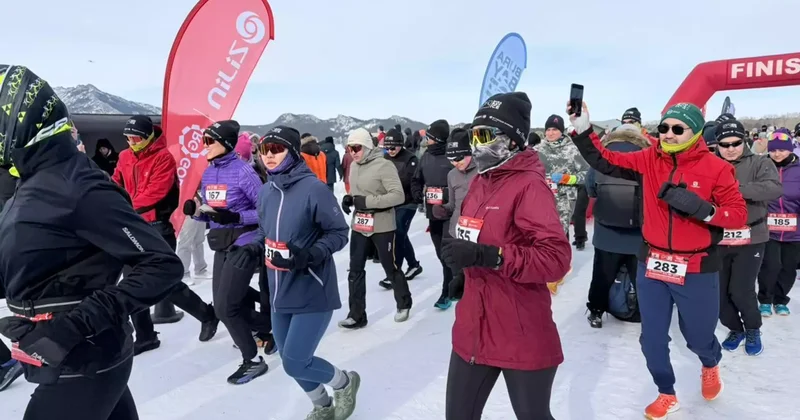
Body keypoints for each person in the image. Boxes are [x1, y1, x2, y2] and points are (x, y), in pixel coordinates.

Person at [0, 65, 184, 420]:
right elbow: (31, 261)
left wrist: (72, 327)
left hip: (84, 357)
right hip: (62, 356)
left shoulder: (78, 187)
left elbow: (161, 265)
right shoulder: (29, 182)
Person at [570, 101, 747, 419]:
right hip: (652, 263)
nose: (668, 134)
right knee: (651, 338)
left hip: (696, 268)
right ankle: (666, 392)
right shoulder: (649, 157)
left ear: (695, 132)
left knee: (698, 337)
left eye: (678, 129)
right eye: (664, 127)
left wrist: (703, 209)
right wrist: (583, 130)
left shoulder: (717, 168)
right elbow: (605, 160)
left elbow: (737, 214)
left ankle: (709, 363)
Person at [441, 92, 571, 420]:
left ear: (512, 140)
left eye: (484, 135)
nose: (475, 145)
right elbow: (476, 234)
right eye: (472, 136)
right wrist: (465, 272)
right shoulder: (479, 182)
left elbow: (556, 259)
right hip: (474, 324)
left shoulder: (529, 186)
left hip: (519, 328)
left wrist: (491, 256)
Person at [235, 126, 360, 419]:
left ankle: (344, 383)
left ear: (292, 152)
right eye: (264, 150)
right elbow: (265, 232)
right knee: (290, 359)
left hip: (312, 288)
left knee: (295, 361)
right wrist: (252, 248)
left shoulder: (314, 189)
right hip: (279, 291)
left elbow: (339, 232)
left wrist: (312, 254)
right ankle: (322, 405)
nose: (268, 156)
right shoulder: (266, 191)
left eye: (276, 149)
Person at [113, 115, 218, 354]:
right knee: (131, 284)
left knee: (164, 282)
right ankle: (146, 336)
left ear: (148, 136)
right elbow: (115, 182)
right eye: (128, 138)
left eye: (136, 138)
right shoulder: (124, 156)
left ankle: (206, 314)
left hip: (156, 227)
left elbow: (155, 193)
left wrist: (124, 208)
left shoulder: (163, 157)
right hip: (132, 226)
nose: (131, 142)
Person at [182, 120, 274, 384]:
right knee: (226, 301)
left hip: (244, 241)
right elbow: (213, 213)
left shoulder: (244, 172)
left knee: (224, 308)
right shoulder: (209, 172)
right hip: (220, 242)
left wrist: (236, 216)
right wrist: (197, 212)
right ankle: (269, 325)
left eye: (209, 141)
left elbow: (266, 211)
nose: (205, 146)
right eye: (204, 141)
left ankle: (253, 360)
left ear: (225, 143)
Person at [713, 120, 781, 356]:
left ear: (744, 141)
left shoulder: (760, 162)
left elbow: (773, 188)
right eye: (725, 144)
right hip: (719, 236)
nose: (730, 149)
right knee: (719, 293)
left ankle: (753, 329)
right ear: (717, 145)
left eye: (736, 143)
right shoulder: (709, 164)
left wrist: (733, 190)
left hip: (751, 236)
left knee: (741, 290)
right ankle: (735, 328)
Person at [339, 128, 411, 328]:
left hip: (382, 224)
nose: (353, 152)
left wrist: (367, 201)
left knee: (390, 267)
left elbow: (398, 196)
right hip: (360, 224)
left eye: (356, 148)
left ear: (367, 147)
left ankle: (404, 303)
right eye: (349, 148)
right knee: (355, 269)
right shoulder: (354, 166)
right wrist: (349, 199)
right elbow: (357, 192)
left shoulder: (384, 165)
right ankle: (356, 315)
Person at [584, 124, 651, 328]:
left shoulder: (601, 157)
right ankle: (645, 313)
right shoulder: (647, 157)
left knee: (602, 276)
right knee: (641, 278)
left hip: (606, 234)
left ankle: (596, 311)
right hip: (639, 235)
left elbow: (591, 190)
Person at [537, 113, 589, 294]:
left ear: (562, 131)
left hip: (564, 198)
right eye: (548, 129)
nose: (551, 133)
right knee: (542, 233)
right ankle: (545, 266)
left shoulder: (572, 149)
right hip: (541, 197)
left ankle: (558, 270)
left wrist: (568, 178)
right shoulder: (537, 150)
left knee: (558, 233)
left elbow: (587, 175)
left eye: (554, 129)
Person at [411, 119, 456, 309]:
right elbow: (417, 179)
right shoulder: (426, 156)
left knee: (447, 252)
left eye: (429, 137)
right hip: (433, 213)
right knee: (440, 253)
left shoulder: (452, 156)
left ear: (436, 138)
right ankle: (455, 281)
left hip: (451, 213)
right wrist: (416, 193)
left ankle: (448, 291)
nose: (426, 140)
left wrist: (448, 194)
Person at [757, 128, 800, 317]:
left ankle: (781, 300)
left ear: (790, 149)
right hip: (769, 229)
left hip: (795, 230)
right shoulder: (762, 167)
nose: (777, 154)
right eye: (773, 150)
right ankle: (765, 300)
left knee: (788, 268)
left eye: (782, 150)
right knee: (770, 266)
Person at [431, 127, 477, 302]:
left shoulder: (484, 170)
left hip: (478, 234)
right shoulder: (452, 175)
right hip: (456, 232)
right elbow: (452, 204)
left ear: (469, 152)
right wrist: (442, 209)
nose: (455, 163)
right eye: (451, 159)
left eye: (458, 158)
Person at [383, 128, 424, 279]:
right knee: (399, 234)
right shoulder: (385, 158)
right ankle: (413, 264)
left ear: (400, 145)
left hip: (408, 202)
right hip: (391, 202)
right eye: (387, 148)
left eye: (393, 147)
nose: (390, 151)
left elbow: (409, 181)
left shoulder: (411, 159)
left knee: (399, 233)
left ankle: (395, 273)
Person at [176, 189, 211, 282]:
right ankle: (184, 273)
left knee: (199, 240)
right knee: (186, 242)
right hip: (188, 206)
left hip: (201, 205)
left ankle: (200, 269)